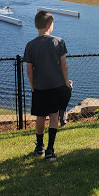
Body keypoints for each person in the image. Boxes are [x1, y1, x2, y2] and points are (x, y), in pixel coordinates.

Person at [24, 10, 72, 161]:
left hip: (39, 87)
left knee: (40, 117)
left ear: (36, 25)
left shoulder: (30, 45)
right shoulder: (59, 42)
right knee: (53, 117)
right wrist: (66, 82)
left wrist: (33, 87)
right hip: (56, 86)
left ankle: (39, 146)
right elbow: (64, 65)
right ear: (50, 25)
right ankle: (50, 150)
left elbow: (29, 71)